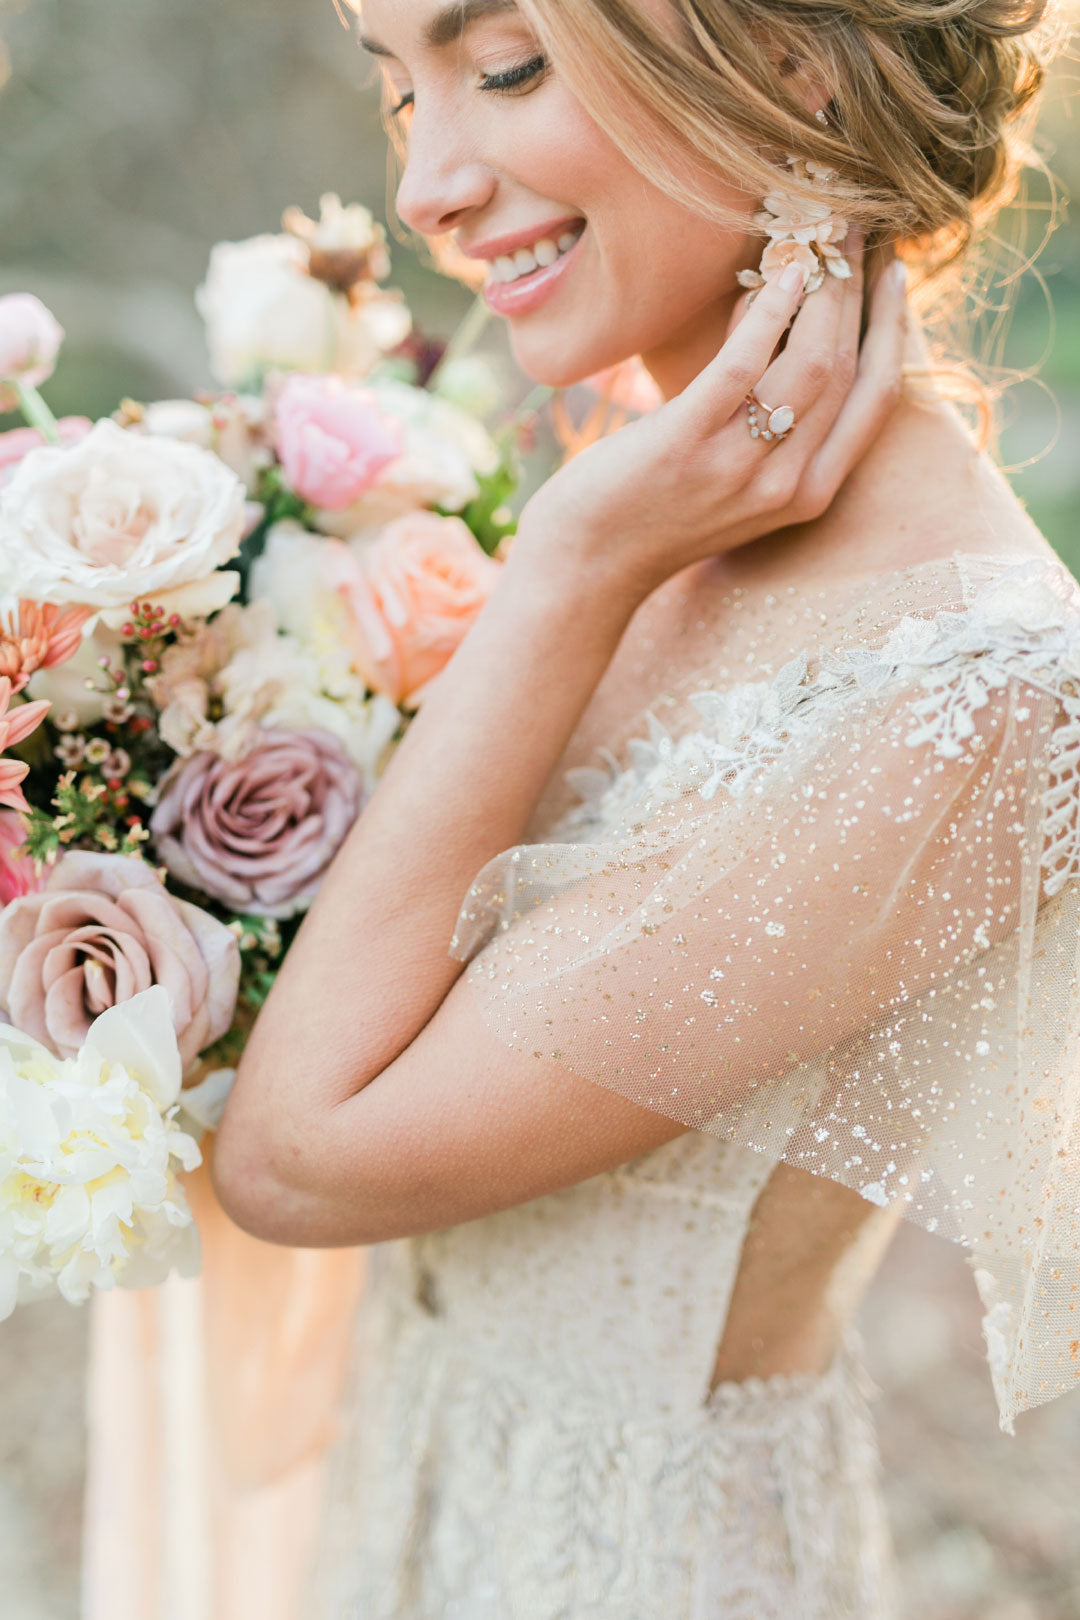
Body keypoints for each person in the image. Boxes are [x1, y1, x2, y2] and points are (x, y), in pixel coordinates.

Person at [94, 1, 1079, 1616]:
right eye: (398, 89)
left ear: (786, 63)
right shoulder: (641, 493)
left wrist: (569, 567)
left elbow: (302, 1160)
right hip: (410, 1498)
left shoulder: (969, 694)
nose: (422, 187)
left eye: (502, 67)